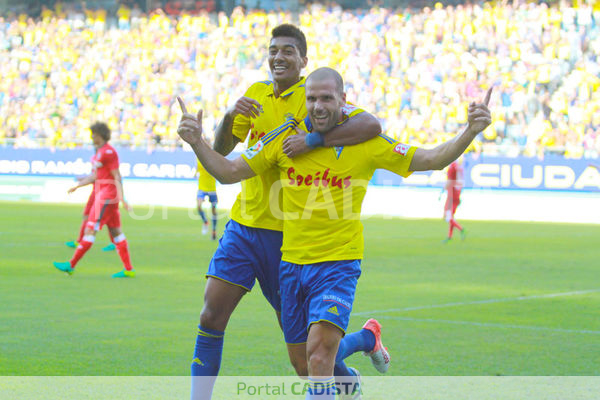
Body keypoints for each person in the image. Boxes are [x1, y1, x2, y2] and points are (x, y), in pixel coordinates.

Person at [177, 67, 492, 399]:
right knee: (305, 364)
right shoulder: (285, 140)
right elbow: (229, 171)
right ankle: (366, 339)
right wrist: (197, 141)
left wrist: (470, 131)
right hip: (291, 266)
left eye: (327, 98)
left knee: (318, 355)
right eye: (311, 98)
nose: (318, 105)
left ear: (344, 100)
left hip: (338, 265)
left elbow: (430, 159)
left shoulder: (367, 143)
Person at [186, 24, 385, 400]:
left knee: (303, 355)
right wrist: (229, 117)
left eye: (288, 52)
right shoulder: (255, 94)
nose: (278, 57)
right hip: (244, 227)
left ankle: (356, 357)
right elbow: (224, 150)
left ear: (303, 61)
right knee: (210, 316)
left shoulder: (313, 98)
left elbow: (370, 124)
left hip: (288, 240)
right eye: (273, 50)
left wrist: (313, 139)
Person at [53, 122, 135, 278]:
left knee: (90, 230)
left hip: (107, 197)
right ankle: (129, 270)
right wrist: (78, 186)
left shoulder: (109, 152)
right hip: (104, 195)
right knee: (116, 232)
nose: (92, 137)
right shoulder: (100, 152)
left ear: (101, 135)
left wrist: (123, 198)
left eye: (94, 134)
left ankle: (71, 265)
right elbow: (96, 176)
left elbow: (117, 175)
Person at [65, 187, 116, 252]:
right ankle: (80, 241)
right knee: (87, 216)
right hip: (98, 192)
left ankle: (114, 242)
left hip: (104, 193)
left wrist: (78, 186)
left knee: (106, 218)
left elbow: (94, 177)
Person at [442, 156, 466, 243]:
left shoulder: (452, 167)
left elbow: (449, 181)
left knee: (447, 216)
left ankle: (461, 229)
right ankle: (449, 236)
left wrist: (442, 191)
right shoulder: (459, 168)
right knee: (451, 216)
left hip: (451, 194)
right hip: (457, 193)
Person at [196, 160, 218, 240]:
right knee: (199, 206)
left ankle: (214, 230)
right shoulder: (198, 156)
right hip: (202, 188)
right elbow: (197, 168)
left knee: (214, 210)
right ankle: (205, 221)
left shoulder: (213, 156)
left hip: (212, 189)